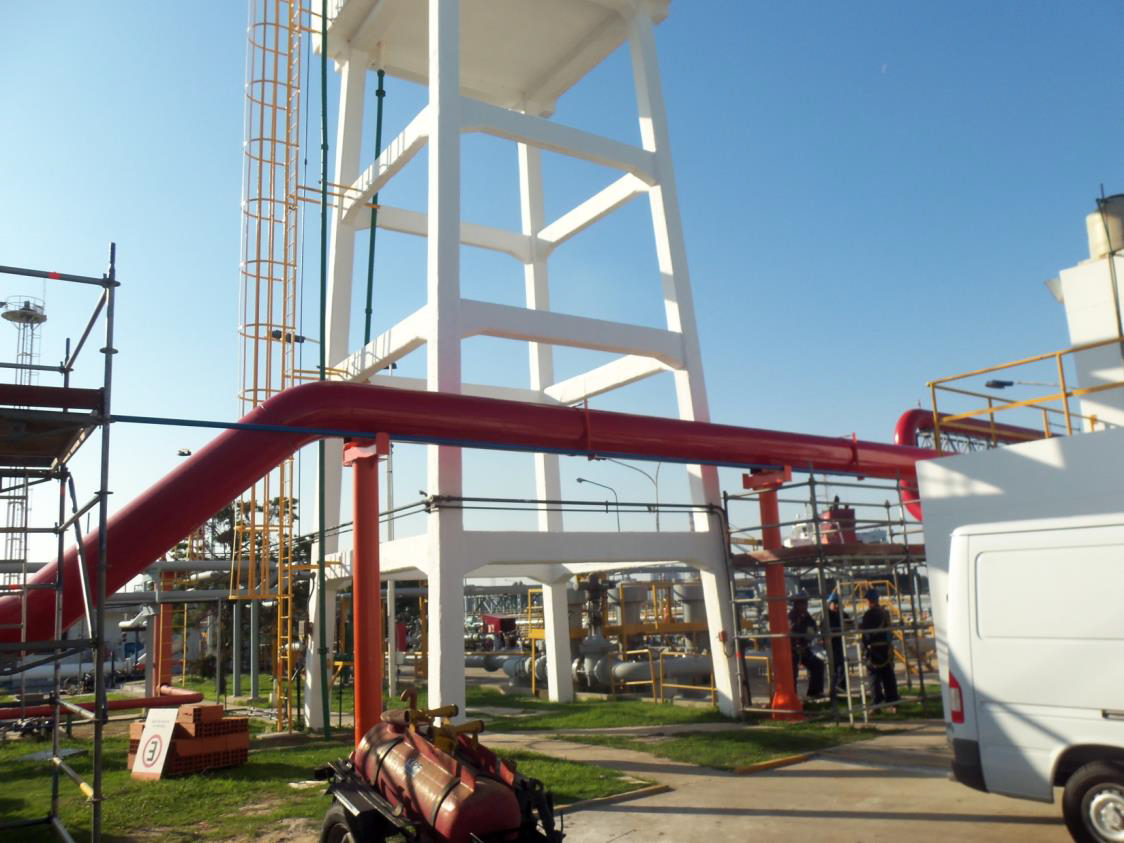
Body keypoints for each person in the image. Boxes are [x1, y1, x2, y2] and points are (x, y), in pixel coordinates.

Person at [859, 588, 899, 710]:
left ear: (869, 600)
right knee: (888, 676)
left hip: (874, 650)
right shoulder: (885, 613)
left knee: (874, 676)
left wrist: (863, 647)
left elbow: (866, 635)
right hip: (886, 649)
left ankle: (877, 702)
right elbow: (889, 632)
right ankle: (893, 701)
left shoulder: (868, 615)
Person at [788, 591, 824, 698]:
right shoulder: (790, 618)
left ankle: (814, 692)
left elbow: (813, 629)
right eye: (802, 603)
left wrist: (811, 633)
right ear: (796, 604)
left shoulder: (807, 617)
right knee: (792, 670)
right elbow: (791, 633)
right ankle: (792, 695)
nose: (805, 606)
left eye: (805, 603)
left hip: (803, 649)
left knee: (817, 664)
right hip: (791, 651)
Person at [823, 591, 850, 698]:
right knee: (834, 668)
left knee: (841, 667)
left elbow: (850, 622)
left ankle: (840, 690)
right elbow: (824, 631)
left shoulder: (841, 614)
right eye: (834, 603)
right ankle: (835, 691)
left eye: (838, 603)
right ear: (829, 604)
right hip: (830, 645)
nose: (837, 606)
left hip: (839, 644)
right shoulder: (826, 616)